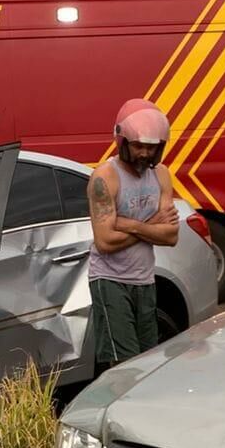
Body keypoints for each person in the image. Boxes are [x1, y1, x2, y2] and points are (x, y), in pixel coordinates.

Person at [87, 98, 180, 369]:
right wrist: (151, 224)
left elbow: (171, 236)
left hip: (145, 280)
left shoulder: (161, 175)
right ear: (123, 141)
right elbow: (105, 242)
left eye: (151, 148)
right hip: (110, 280)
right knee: (123, 364)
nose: (144, 153)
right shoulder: (105, 178)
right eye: (138, 146)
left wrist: (131, 224)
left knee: (147, 360)